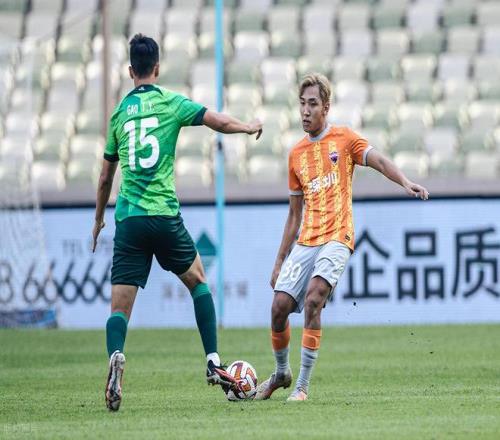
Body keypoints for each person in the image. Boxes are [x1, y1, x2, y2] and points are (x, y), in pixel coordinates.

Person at [92, 34, 262, 411]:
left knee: (119, 308)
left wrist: (99, 218)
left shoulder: (119, 114)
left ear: (130, 70)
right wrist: (247, 126)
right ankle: (213, 360)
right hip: (164, 216)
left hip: (130, 219)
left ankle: (116, 355)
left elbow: (105, 178)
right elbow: (216, 120)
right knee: (198, 281)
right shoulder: (170, 102)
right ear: (157, 68)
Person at [255, 73, 428, 402]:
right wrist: (279, 260)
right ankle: (281, 372)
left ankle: (302, 386)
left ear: (326, 107)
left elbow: (378, 160)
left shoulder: (344, 139)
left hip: (338, 235)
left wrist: (404, 181)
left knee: (314, 299)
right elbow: (294, 215)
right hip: (307, 240)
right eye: (302, 104)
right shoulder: (296, 155)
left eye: (312, 104)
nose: (305, 111)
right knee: (278, 307)